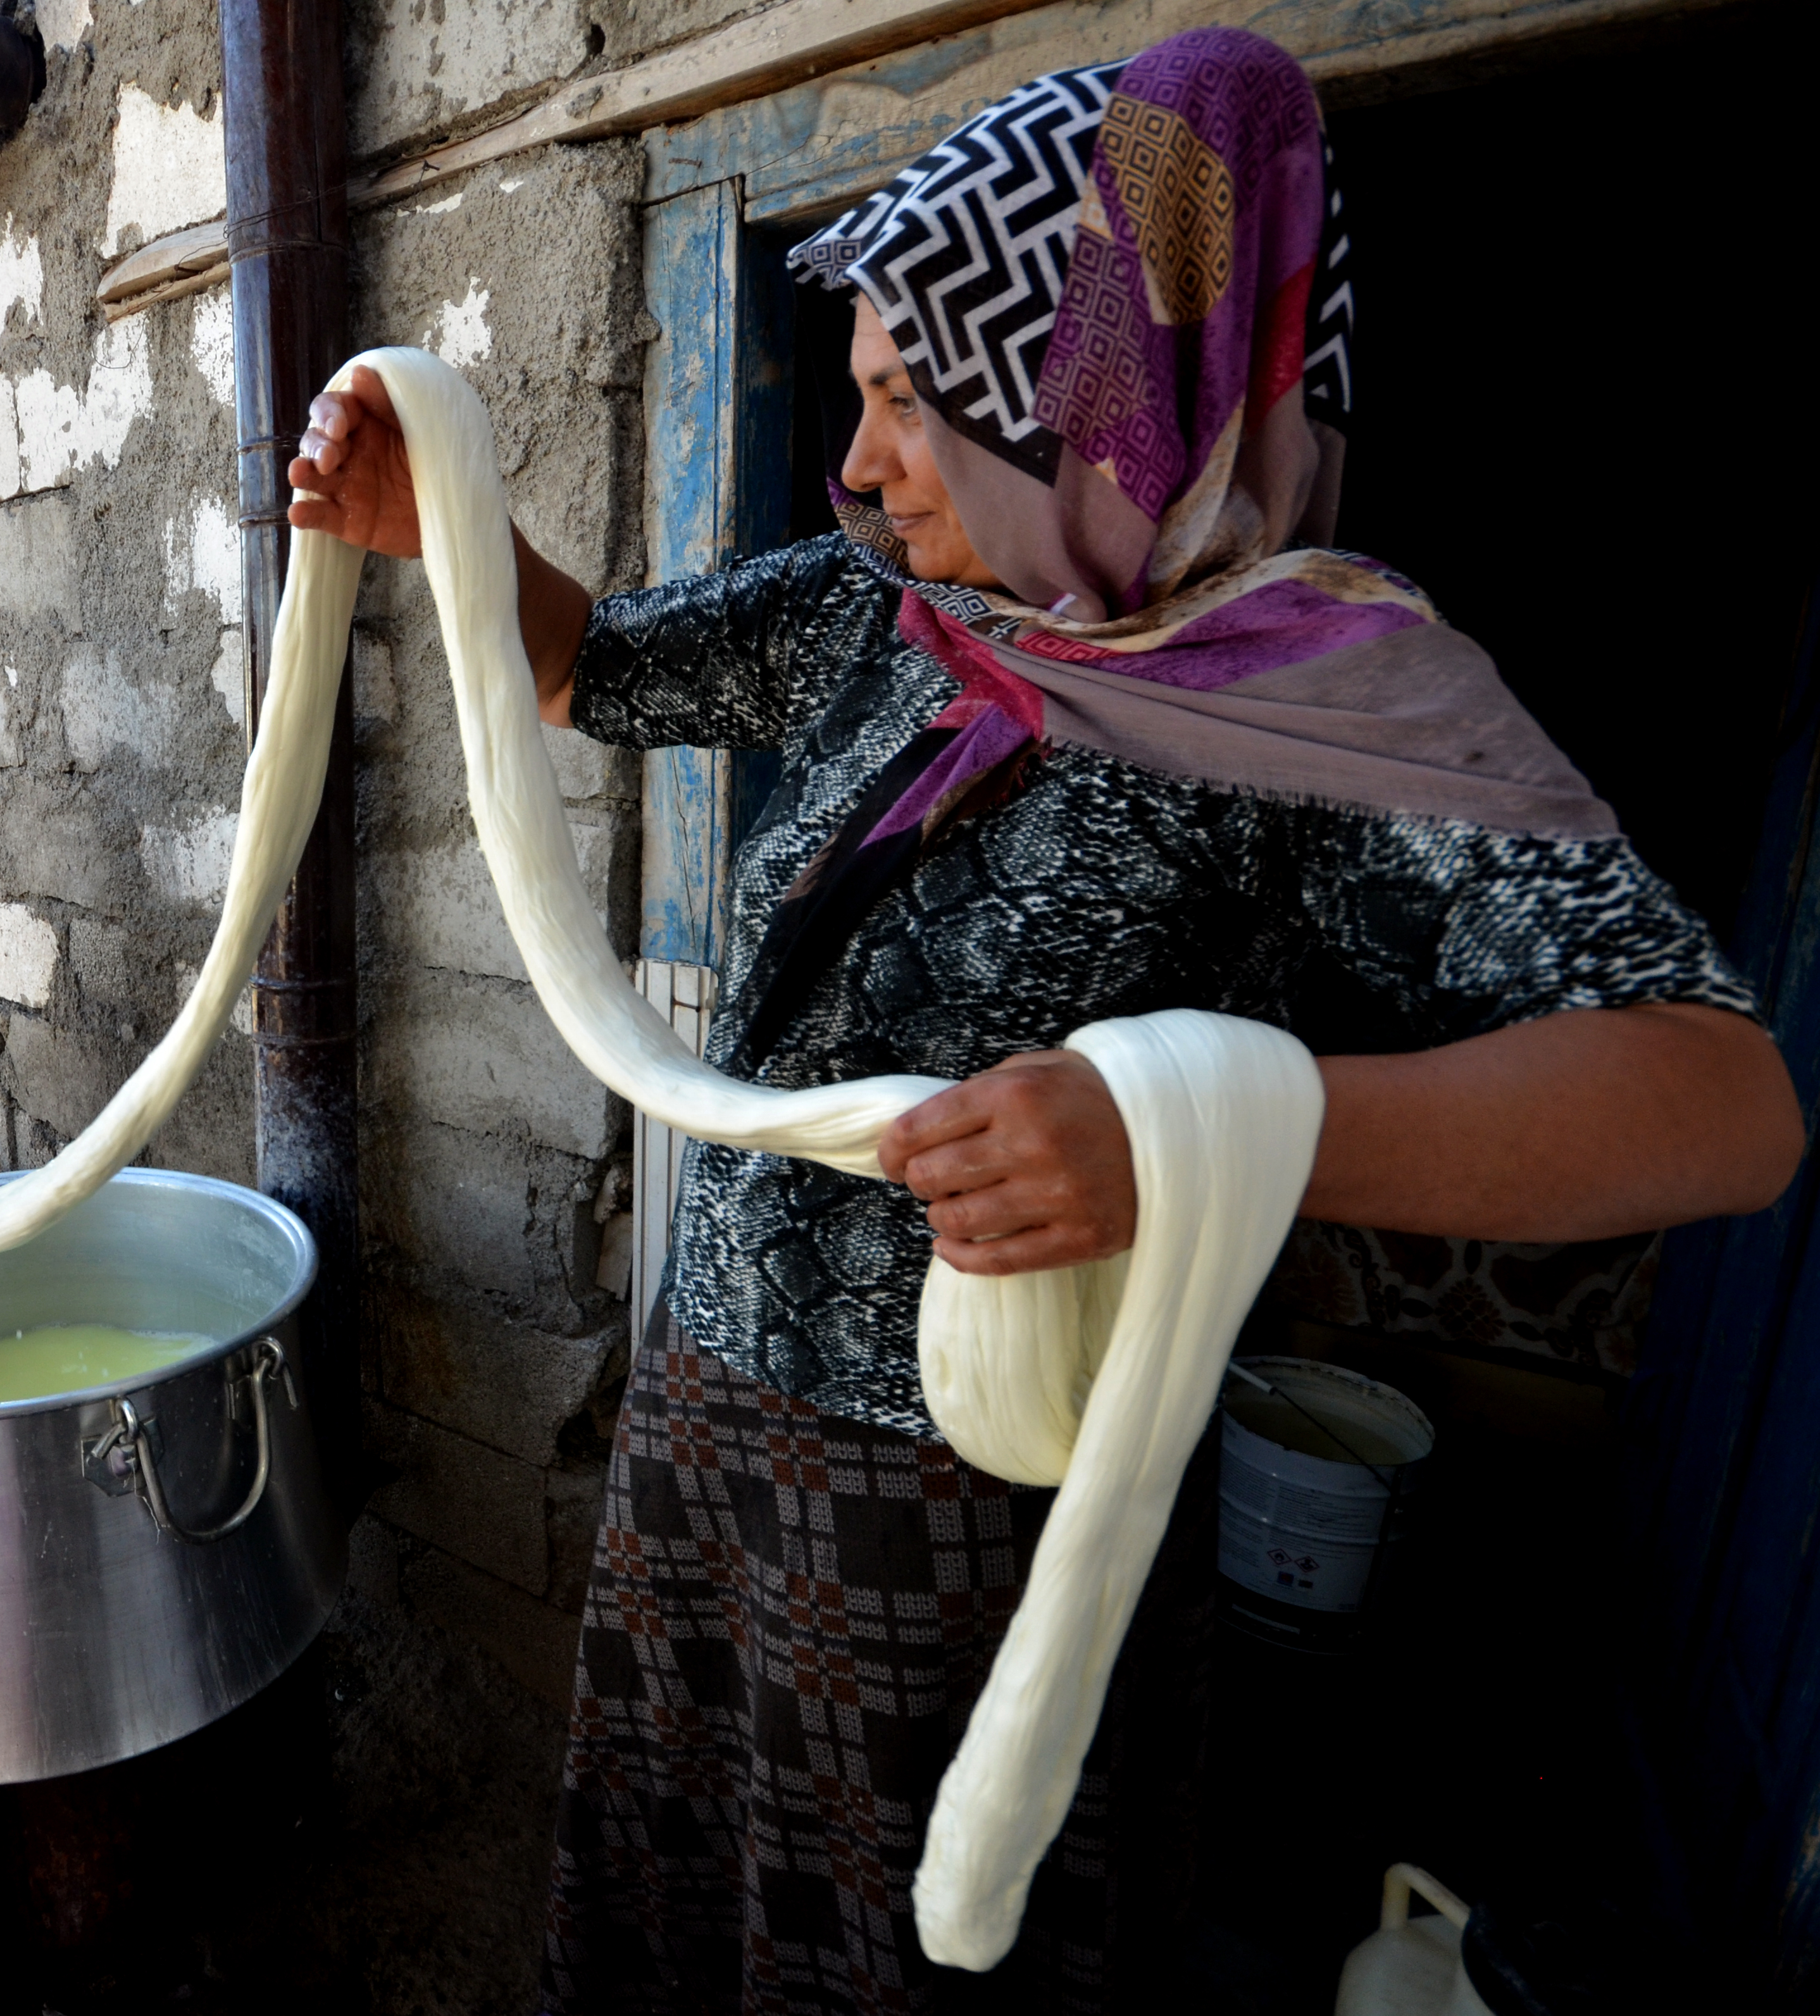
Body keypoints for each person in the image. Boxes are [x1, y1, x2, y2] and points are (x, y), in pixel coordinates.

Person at [292, 26, 1804, 2015]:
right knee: (689, 1877)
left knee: (913, 1938)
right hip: (712, 1397)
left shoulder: (1322, 695)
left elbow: (1716, 1104)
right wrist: (445, 514)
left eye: (911, 398)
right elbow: (592, 671)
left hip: (974, 1498)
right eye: (862, 399)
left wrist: (1188, 1118)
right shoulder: (887, 613)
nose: (857, 465)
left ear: (1079, 387)